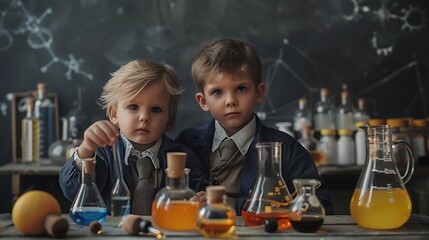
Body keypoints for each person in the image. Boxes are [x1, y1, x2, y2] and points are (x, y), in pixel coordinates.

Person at [176, 38, 334, 214]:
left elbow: (321, 205)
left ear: (259, 93)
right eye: (217, 92)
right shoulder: (185, 145)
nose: (231, 101)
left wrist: (284, 209)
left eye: (241, 89)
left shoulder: (287, 150)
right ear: (203, 101)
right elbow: (168, 198)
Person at [59, 60, 205, 215]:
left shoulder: (183, 158)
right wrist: (87, 149)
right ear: (114, 114)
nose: (144, 117)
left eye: (156, 109)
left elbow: (199, 197)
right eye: (133, 107)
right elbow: (72, 190)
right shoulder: (102, 153)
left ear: (168, 119)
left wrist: (200, 201)